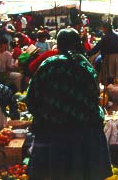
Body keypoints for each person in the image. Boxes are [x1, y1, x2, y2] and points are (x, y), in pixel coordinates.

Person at [26, 28, 112, 180]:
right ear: (77, 44)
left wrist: (45, 115)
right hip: (85, 133)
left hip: (52, 133)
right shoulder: (85, 66)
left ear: (58, 45)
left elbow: (31, 99)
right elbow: (94, 98)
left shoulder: (48, 64)